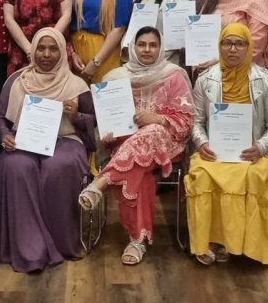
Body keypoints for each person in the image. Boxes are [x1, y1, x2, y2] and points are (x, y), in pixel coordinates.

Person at [77, 27, 194, 265]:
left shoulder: (174, 76)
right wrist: (107, 135)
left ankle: (103, 182)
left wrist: (159, 119)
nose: (147, 49)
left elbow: (186, 121)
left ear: (161, 49)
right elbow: (106, 122)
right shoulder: (115, 78)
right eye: (142, 44)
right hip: (125, 146)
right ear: (132, 47)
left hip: (167, 145)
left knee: (152, 131)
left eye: (153, 45)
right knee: (139, 173)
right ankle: (137, 240)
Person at [0, 28, 95, 272]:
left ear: (62, 51)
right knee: (16, 166)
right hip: (24, 139)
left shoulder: (76, 84)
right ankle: (28, 247)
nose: (46, 54)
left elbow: (94, 120)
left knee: (58, 168)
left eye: (53, 48)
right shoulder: (16, 81)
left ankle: (59, 243)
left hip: (65, 139)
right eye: (41, 48)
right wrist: (5, 135)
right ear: (32, 50)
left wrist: (75, 115)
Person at [185, 24, 268, 265]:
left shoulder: (266, 80)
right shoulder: (205, 79)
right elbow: (195, 121)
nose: (233, 49)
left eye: (240, 44)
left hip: (252, 153)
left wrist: (261, 147)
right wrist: (202, 144)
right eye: (227, 43)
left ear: (250, 47)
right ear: (219, 45)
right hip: (214, 152)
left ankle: (237, 243)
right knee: (202, 173)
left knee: (255, 175)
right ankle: (212, 240)